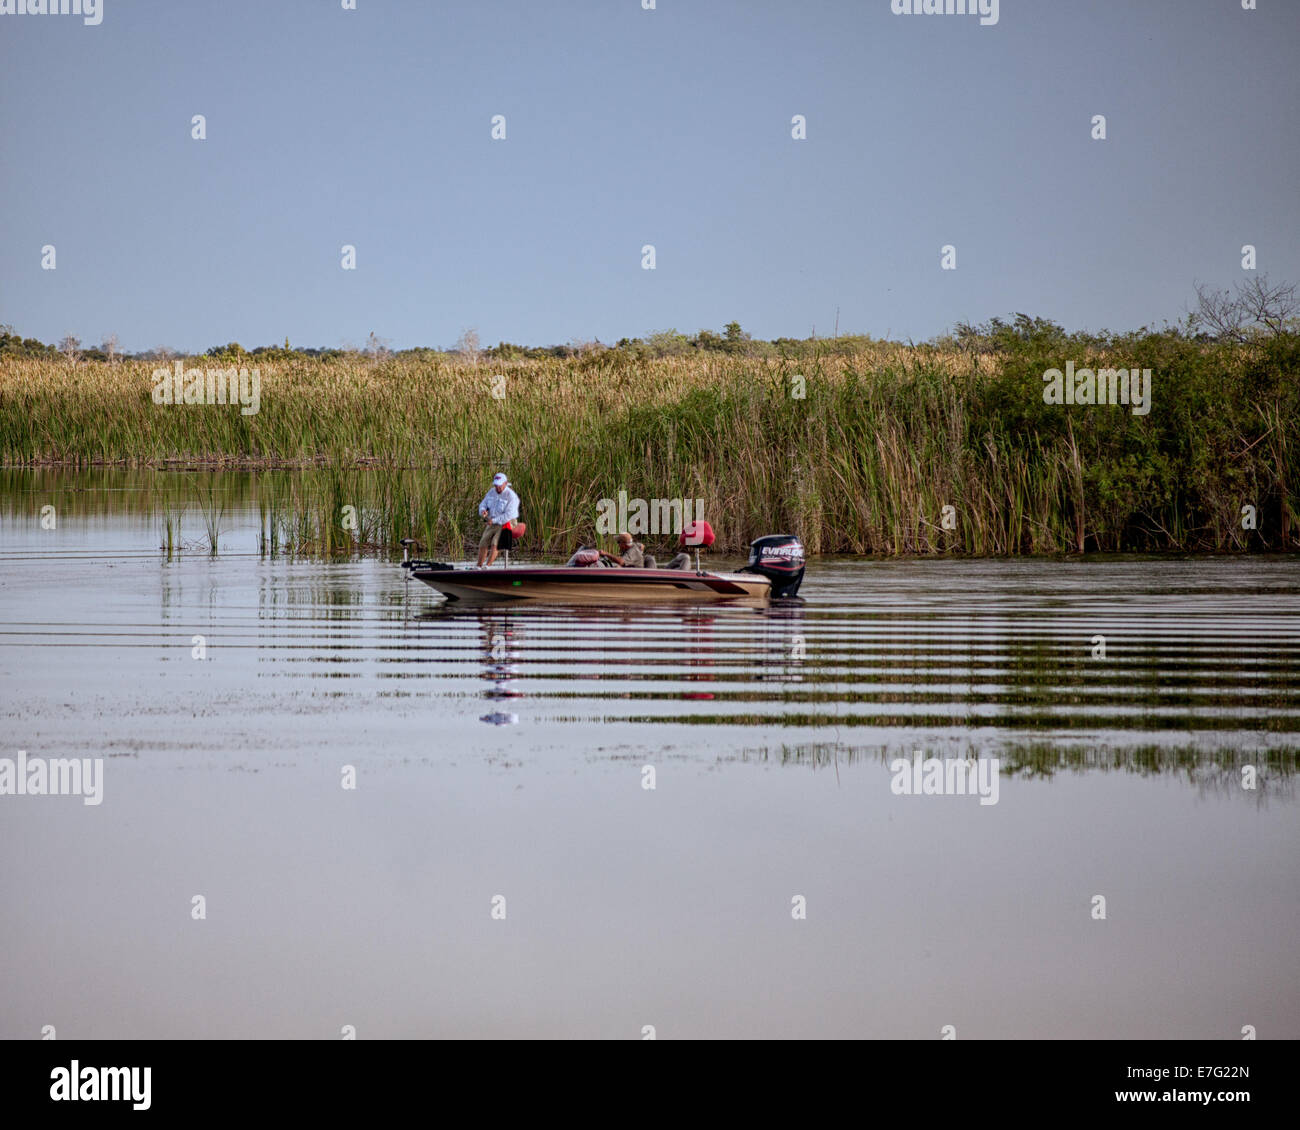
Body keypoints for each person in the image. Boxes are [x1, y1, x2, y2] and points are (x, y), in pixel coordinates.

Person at [476, 473, 520, 567]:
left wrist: (494, 520)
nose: (497, 487)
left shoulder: (511, 496)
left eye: (499, 485)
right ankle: (478, 567)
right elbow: (483, 504)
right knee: (483, 542)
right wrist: (483, 510)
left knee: (495, 543)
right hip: (493, 522)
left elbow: (508, 515)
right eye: (496, 485)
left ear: (505, 483)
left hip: (507, 522)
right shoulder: (491, 492)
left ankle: (487, 566)